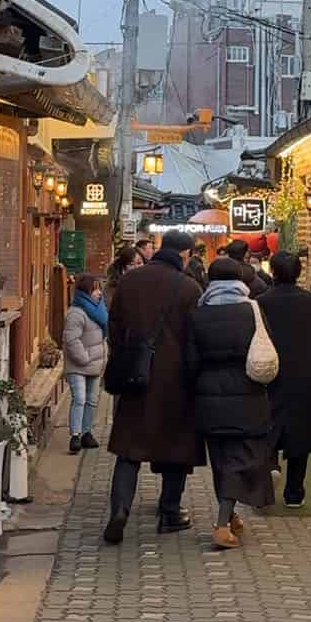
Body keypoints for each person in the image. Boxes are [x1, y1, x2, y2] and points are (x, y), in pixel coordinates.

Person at [103, 229, 201, 544]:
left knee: (128, 449)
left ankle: (119, 510)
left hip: (135, 376)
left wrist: (122, 360)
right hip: (176, 382)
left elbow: (113, 326)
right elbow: (194, 339)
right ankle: (170, 513)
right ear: (185, 254)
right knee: (176, 448)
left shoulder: (130, 282)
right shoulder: (188, 288)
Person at [184, 257, 275, 549]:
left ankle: (230, 513)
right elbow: (266, 350)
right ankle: (222, 525)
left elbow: (190, 361)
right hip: (247, 395)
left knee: (221, 460)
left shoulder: (198, 314)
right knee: (240, 459)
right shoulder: (252, 310)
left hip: (208, 396)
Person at [257, 250, 311, 507]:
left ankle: (270, 469)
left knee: (267, 423)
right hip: (303, 372)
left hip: (270, 370)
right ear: (299, 272)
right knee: (300, 432)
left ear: (272, 271)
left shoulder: (261, 300)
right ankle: (295, 491)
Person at [61, 272, 107, 454]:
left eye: (99, 289)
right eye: (94, 289)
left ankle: (87, 432)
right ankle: (75, 435)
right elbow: (71, 339)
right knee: (79, 399)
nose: (98, 293)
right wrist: (84, 358)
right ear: (84, 292)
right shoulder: (76, 313)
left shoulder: (100, 310)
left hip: (95, 364)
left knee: (92, 400)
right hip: (78, 365)